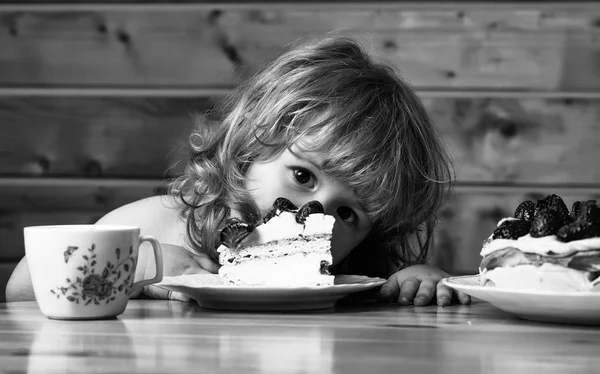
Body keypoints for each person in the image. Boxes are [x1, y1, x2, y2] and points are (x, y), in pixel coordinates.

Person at [6, 36, 470, 307]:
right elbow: (23, 292)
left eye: (349, 214)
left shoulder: (349, 276)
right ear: (249, 147)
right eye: (303, 176)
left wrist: (419, 281)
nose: (319, 216)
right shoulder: (158, 226)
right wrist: (137, 267)